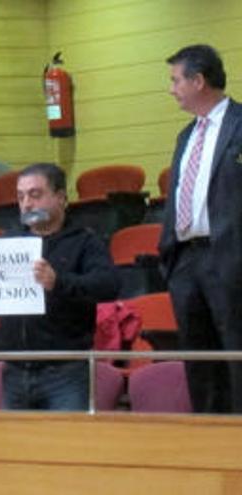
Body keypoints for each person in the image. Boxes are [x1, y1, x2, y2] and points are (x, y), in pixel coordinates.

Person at [0, 163, 119, 410]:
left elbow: (108, 285)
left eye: (35, 195)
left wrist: (58, 282)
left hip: (65, 371)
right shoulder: (8, 242)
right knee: (16, 447)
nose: (26, 203)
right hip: (14, 369)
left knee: (65, 445)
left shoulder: (85, 241)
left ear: (60, 198)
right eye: (20, 197)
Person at [158, 44, 242, 413]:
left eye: (176, 80)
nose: (172, 88)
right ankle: (209, 434)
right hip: (187, 259)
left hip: (231, 256)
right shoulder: (185, 136)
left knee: (235, 349)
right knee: (199, 356)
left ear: (199, 80)